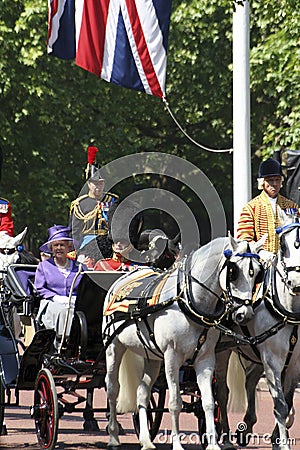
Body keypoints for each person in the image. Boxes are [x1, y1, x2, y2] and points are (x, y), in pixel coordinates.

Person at [237, 157, 298, 256]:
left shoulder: (292, 206)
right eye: (270, 180)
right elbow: (244, 238)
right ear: (262, 183)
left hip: (288, 263)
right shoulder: (250, 208)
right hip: (260, 262)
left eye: (277, 180)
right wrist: (260, 251)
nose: (274, 184)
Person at [35, 225, 83, 350]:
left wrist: (75, 298)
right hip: (51, 303)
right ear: (51, 248)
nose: (59, 248)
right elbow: (39, 288)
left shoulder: (80, 267)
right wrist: (57, 298)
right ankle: (64, 345)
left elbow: (86, 287)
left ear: (69, 247)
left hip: (75, 303)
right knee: (63, 311)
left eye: (62, 245)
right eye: (56, 245)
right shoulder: (44, 266)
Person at [69, 171, 118, 257]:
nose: (98, 187)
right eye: (95, 184)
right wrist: (76, 249)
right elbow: (75, 230)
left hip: (109, 242)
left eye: (100, 183)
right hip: (87, 243)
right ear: (88, 184)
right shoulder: (80, 204)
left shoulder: (112, 200)